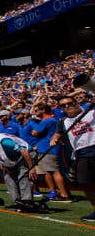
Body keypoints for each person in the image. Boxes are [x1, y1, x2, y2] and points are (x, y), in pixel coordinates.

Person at [53, 94, 95, 222]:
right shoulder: (63, 121)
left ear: (76, 102)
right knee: (85, 183)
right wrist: (54, 139)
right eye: (63, 105)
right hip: (81, 153)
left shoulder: (91, 112)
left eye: (70, 103)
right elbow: (57, 134)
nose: (68, 106)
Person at [31, 102, 72, 201]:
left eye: (37, 110)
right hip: (48, 148)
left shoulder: (47, 120)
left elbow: (35, 132)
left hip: (48, 148)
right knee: (48, 171)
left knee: (54, 171)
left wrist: (35, 131)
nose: (35, 113)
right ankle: (54, 192)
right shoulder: (53, 120)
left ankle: (63, 194)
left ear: (43, 110)